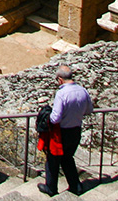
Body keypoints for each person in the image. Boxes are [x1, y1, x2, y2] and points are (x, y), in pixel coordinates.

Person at [39, 65, 93, 197]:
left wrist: (48, 117)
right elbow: (89, 110)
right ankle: (76, 186)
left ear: (60, 79)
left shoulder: (62, 93)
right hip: (76, 130)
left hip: (61, 133)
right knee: (68, 158)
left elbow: (55, 118)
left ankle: (51, 188)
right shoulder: (82, 91)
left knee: (53, 160)